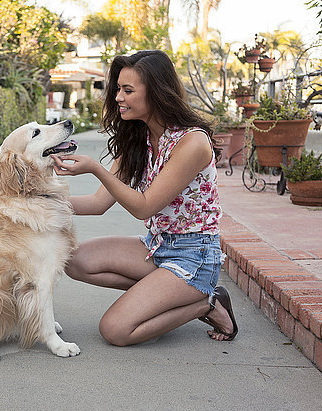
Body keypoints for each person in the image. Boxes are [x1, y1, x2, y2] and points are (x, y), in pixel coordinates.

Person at [51, 50, 238, 346]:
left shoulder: (192, 142)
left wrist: (96, 169)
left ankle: (207, 302)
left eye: (128, 90)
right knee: (73, 260)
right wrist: (38, 202)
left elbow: (145, 206)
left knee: (115, 330)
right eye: (117, 90)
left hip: (195, 255)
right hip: (158, 246)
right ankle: (163, 294)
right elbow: (99, 204)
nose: (117, 98)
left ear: (156, 92)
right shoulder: (139, 138)